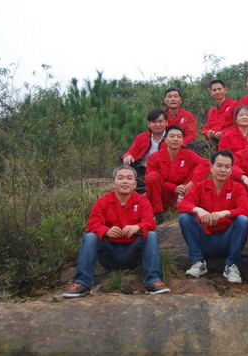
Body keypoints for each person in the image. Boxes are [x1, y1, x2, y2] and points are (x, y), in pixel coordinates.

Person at [62, 165, 169, 297]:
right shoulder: (103, 201)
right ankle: (83, 284)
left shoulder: (142, 201)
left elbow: (150, 223)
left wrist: (138, 227)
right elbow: (92, 224)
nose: (125, 181)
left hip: (133, 253)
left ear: (135, 184)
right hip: (109, 254)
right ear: (113, 183)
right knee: (89, 237)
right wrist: (106, 231)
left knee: (151, 235)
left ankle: (153, 282)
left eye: (129, 178)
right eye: (121, 178)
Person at [178, 150, 248, 284]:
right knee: (185, 218)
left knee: (243, 220)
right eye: (219, 165)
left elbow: (246, 209)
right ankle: (198, 262)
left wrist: (225, 213)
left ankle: (232, 265)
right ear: (211, 167)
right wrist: (198, 210)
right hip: (204, 239)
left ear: (231, 170)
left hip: (226, 241)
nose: (222, 170)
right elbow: (183, 204)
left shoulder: (237, 188)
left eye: (227, 167)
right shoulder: (200, 186)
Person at [145, 125, 210, 223]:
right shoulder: (154, 157)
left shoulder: (188, 154)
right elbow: (150, 180)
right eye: (172, 136)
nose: (175, 139)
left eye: (179, 137)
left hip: (183, 194)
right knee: (152, 177)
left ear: (183, 141)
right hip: (162, 195)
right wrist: (173, 188)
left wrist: (191, 182)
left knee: (199, 169)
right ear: (165, 140)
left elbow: (206, 165)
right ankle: (158, 214)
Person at [121, 108, 167, 189]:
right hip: (142, 170)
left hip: (161, 171)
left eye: (160, 121)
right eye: (154, 122)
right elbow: (131, 152)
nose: (157, 125)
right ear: (149, 124)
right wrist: (127, 156)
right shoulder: (142, 137)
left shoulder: (171, 138)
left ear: (166, 122)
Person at [197, 79, 237, 151]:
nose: (217, 92)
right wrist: (208, 133)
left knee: (199, 148)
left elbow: (237, 125)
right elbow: (205, 129)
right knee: (190, 145)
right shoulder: (211, 111)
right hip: (212, 139)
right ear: (210, 92)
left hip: (227, 139)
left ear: (225, 90)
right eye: (214, 90)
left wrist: (223, 133)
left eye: (219, 89)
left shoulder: (234, 105)